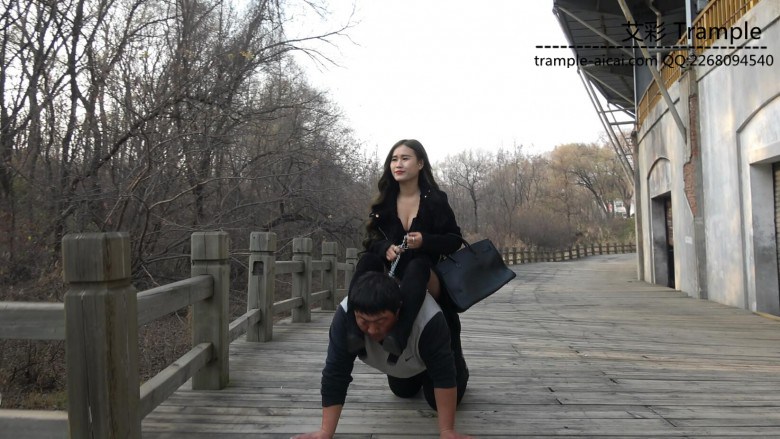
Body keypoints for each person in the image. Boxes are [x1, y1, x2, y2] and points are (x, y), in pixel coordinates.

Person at [292, 271, 471, 439]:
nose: (372, 330)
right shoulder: (345, 315)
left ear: (398, 311)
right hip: (405, 362)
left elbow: (443, 376)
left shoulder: (429, 319)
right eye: (364, 321)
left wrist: (447, 431)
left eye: (380, 321)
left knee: (438, 401)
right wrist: (325, 432)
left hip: (434, 353)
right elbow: (336, 372)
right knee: (402, 391)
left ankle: (458, 361)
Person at [347, 139, 464, 362]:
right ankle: (352, 329)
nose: (398, 164)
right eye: (394, 159)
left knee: (418, 265)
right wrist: (385, 248)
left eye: (405, 158)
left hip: (427, 277)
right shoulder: (384, 202)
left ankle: (399, 335)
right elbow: (370, 240)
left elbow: (454, 240)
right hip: (393, 276)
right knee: (368, 260)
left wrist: (425, 241)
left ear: (420, 164)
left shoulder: (436, 200)